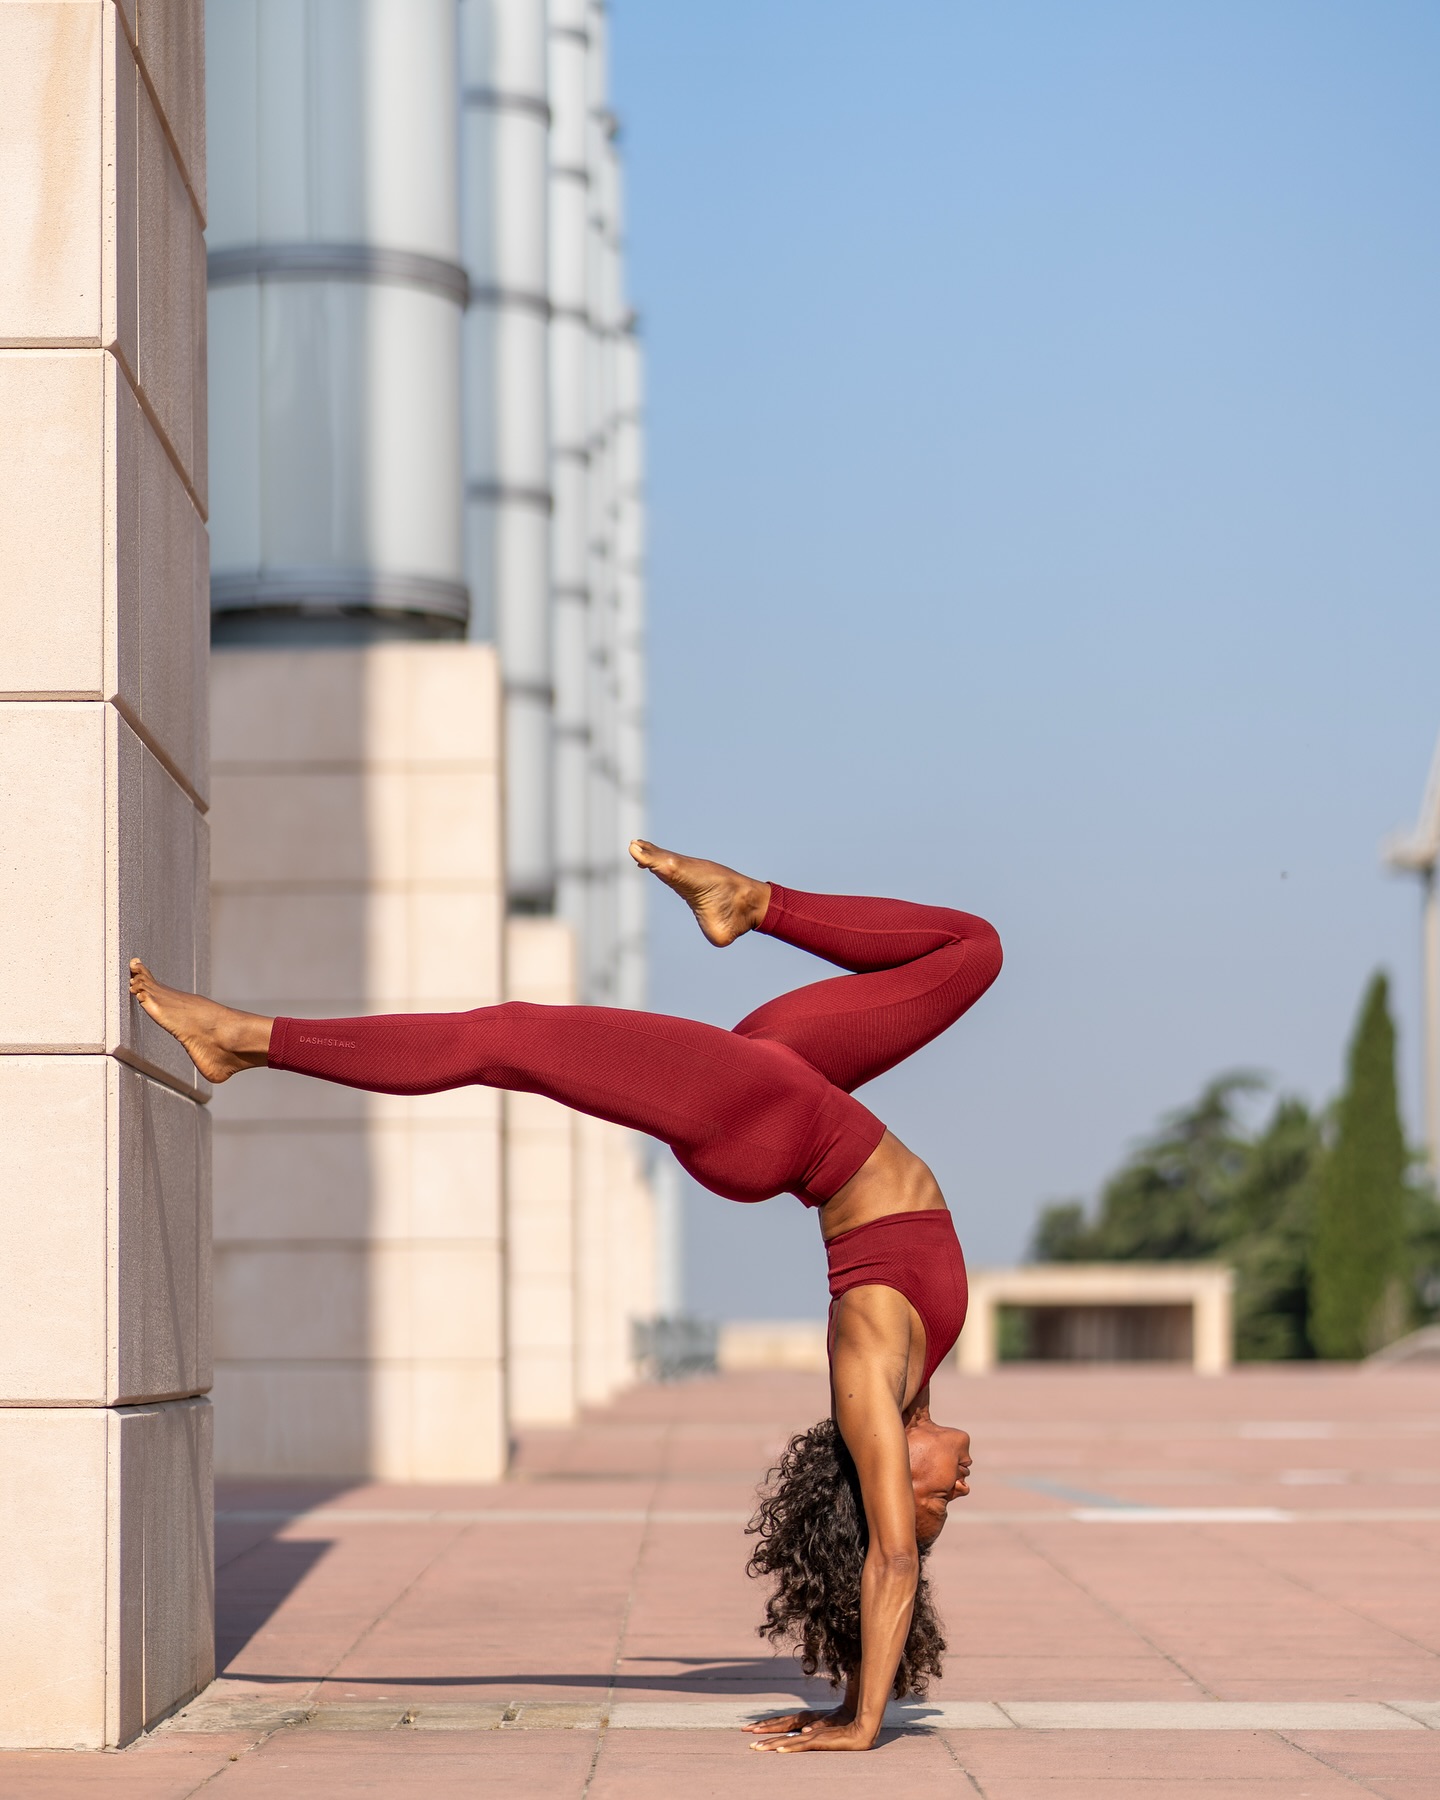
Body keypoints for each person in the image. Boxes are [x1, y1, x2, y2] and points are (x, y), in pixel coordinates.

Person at [129, 841, 1001, 1754]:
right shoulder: (916, 1377)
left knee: (505, 1040)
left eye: (939, 1503)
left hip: (767, 1120)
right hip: (794, 1091)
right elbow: (884, 1556)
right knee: (971, 951)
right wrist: (859, 1681)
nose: (962, 1487)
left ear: (889, 1473)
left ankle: (246, 1041)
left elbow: (889, 1557)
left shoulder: (869, 1376)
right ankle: (752, 903)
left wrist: (863, 1721)